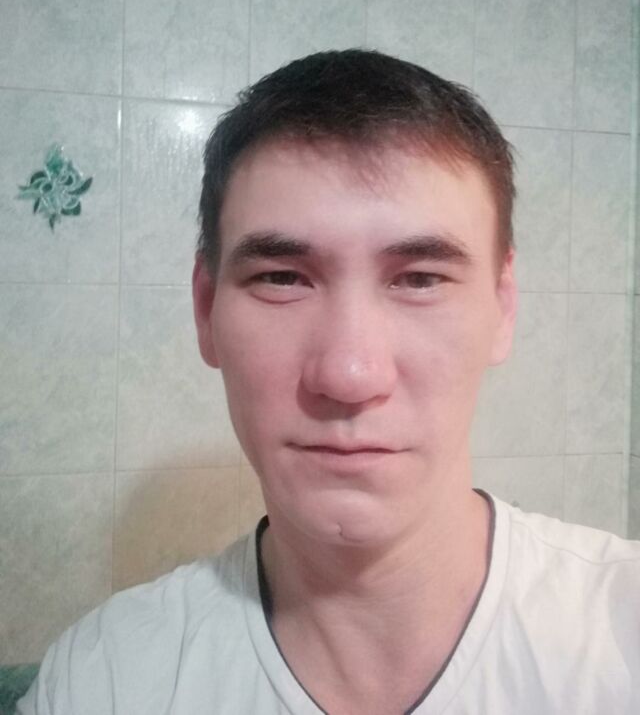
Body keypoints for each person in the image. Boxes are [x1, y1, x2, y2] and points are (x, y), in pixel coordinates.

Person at [19, 50, 640, 714]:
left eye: (420, 279)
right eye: (282, 278)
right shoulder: (103, 680)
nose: (349, 375)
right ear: (205, 309)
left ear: (503, 307)